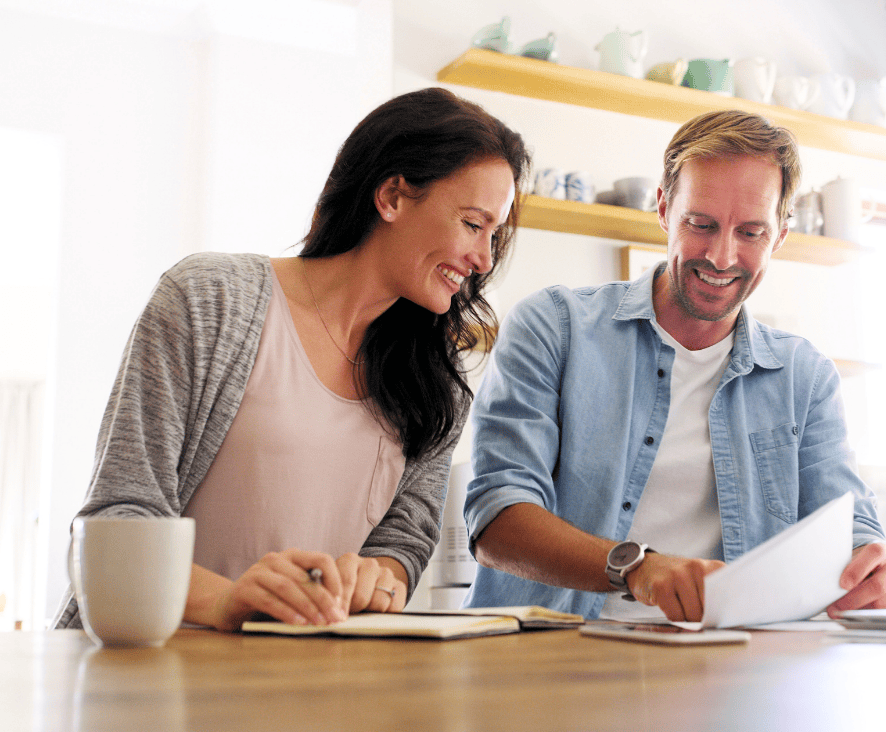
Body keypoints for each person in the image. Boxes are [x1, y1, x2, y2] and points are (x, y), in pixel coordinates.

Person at [53, 87, 531, 632]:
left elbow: (401, 544)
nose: (484, 258)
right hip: (150, 687)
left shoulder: (436, 382)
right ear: (394, 196)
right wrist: (231, 600)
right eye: (473, 224)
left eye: (496, 233)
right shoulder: (207, 299)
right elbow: (117, 520)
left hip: (303, 690)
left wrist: (377, 580)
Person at [462, 109, 886, 622]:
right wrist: (636, 567)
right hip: (557, 660)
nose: (722, 257)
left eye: (751, 233)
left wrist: (875, 570)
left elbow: (848, 529)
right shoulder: (555, 328)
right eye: (701, 225)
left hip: (729, 671)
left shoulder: (804, 376)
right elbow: (497, 520)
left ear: (781, 237)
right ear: (662, 209)